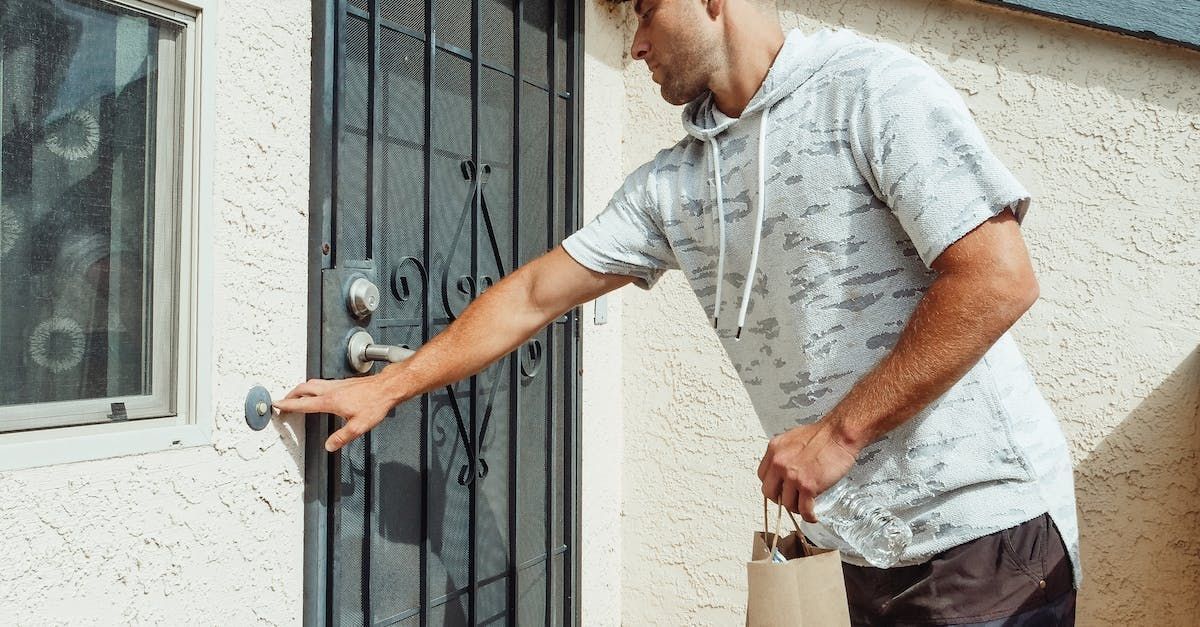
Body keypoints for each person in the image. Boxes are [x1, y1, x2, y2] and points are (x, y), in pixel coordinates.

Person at [277, 0, 1080, 623]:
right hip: (853, 549)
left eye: (643, 12)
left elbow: (997, 279)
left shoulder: (870, 92)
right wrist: (390, 384)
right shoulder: (676, 186)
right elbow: (530, 295)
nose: (632, 45)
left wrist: (837, 435)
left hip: (983, 536)